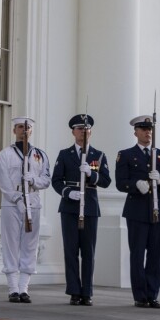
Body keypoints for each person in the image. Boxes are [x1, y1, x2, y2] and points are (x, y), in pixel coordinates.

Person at [115, 115, 160, 309]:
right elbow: (120, 182)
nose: (147, 132)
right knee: (137, 254)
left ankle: (152, 294)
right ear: (135, 132)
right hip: (137, 210)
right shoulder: (125, 154)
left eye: (150, 129)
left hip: (158, 210)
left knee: (155, 255)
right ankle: (140, 295)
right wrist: (135, 184)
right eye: (143, 129)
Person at [52, 114, 111, 306]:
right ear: (73, 132)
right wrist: (68, 193)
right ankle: (74, 291)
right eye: (79, 129)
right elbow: (56, 180)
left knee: (88, 251)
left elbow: (106, 181)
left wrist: (91, 174)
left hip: (90, 205)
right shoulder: (64, 154)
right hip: (70, 206)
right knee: (71, 250)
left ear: (91, 132)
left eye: (86, 129)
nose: (83, 132)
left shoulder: (98, 155)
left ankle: (87, 291)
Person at [0, 117, 51, 303]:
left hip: (33, 200)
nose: (24, 130)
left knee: (30, 244)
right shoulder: (5, 154)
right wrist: (16, 198)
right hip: (12, 202)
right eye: (20, 127)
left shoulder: (40, 155)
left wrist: (34, 180)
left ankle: (24, 287)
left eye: (27, 127)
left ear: (31, 131)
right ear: (14, 130)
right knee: (10, 243)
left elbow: (46, 179)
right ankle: (13, 288)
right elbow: (3, 182)